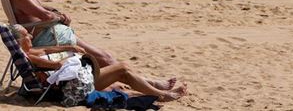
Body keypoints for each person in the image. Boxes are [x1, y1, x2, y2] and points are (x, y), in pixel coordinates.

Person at [10, 24, 187, 102]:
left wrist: (69, 46)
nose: (31, 36)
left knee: (120, 82)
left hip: (74, 80)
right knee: (123, 68)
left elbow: (48, 50)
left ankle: (155, 88)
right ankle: (162, 94)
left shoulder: (30, 51)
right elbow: (58, 66)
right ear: (19, 41)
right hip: (72, 86)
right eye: (27, 35)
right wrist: (71, 58)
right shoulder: (30, 57)